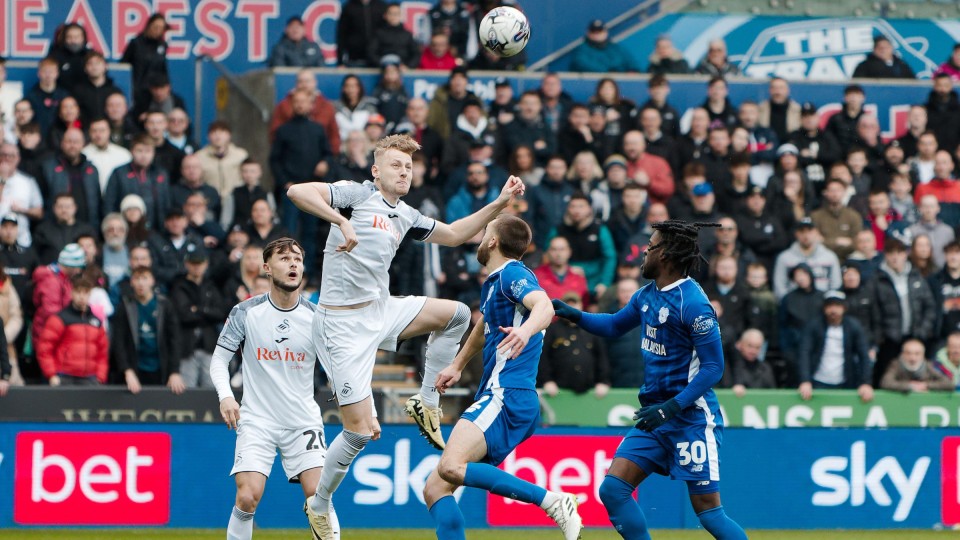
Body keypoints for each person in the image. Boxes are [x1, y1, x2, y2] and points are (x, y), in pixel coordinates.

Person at [286, 134, 525, 538]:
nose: (404, 172)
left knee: (457, 314)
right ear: (376, 170)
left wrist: (500, 204)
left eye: (409, 167)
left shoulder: (406, 214)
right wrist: (340, 220)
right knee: (361, 432)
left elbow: (452, 234)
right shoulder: (353, 195)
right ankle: (320, 504)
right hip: (340, 326)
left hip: (380, 310)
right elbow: (296, 191)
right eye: (396, 165)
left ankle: (427, 400)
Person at [551, 220, 747, 540]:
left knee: (710, 514)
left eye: (651, 245)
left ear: (666, 255)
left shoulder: (694, 305)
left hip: (691, 418)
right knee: (613, 490)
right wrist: (573, 314)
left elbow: (714, 368)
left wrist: (672, 407)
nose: (644, 250)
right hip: (655, 416)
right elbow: (614, 325)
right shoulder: (647, 295)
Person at [424, 214, 583, 540]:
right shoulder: (496, 282)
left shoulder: (513, 274)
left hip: (506, 394)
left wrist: (525, 331)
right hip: (505, 396)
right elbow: (483, 327)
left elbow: (545, 306)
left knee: (450, 467)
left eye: (485, 233)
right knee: (436, 488)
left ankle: (553, 501)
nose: (480, 238)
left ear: (493, 241)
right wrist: (457, 364)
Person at [209, 238, 341, 540]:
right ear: (266, 268)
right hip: (257, 421)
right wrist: (226, 396)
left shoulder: (316, 316)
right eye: (284, 258)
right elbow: (219, 359)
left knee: (319, 499)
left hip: (302, 421)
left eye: (297, 258)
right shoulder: (246, 312)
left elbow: (336, 368)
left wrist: (364, 408)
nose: (292, 263)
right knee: (247, 496)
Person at [111, 266, 184, 394]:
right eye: (137, 279)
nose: (141, 283)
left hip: (160, 369)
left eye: (144, 278)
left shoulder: (165, 305)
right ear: (131, 282)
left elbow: (174, 340)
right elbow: (119, 342)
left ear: (152, 281)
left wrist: (174, 372)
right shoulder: (125, 306)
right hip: (135, 369)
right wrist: (127, 371)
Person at [797, 291, 874, 402]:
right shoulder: (813, 326)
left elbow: (863, 355)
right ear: (824, 308)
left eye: (837, 306)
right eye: (830, 306)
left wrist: (865, 383)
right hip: (818, 381)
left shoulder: (853, 326)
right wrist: (805, 380)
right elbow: (804, 353)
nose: (833, 310)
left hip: (845, 381)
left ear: (844, 308)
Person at [36, 275, 107, 386]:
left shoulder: (96, 321)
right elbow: (44, 348)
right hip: (64, 377)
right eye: (78, 292)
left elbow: (103, 353)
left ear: (90, 295)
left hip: (90, 378)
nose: (82, 297)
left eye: (86, 293)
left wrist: (100, 377)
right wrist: (51, 374)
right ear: (72, 293)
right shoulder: (59, 318)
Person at [539, 291, 611, 396]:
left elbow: (601, 357)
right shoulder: (551, 330)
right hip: (558, 390)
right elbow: (543, 357)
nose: (571, 308)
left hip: (589, 389)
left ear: (581, 305)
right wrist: (546, 380)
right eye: (567, 304)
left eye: (574, 304)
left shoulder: (590, 328)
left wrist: (603, 381)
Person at [121, 13, 169, 108]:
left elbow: (163, 68)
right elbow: (124, 66)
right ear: (148, 25)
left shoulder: (162, 45)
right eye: (155, 27)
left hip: (155, 91)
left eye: (161, 28)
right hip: (137, 90)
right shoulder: (136, 43)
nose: (158, 30)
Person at [880, 339, 953, 393]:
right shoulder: (895, 365)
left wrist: (926, 385)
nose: (912, 358)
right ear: (902, 354)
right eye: (908, 353)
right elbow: (886, 383)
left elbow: (948, 384)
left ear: (923, 355)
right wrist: (910, 386)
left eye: (917, 354)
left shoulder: (929, 366)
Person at [569, 19, 637, 73]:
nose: (597, 34)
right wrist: (607, 73)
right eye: (594, 31)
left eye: (600, 31)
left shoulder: (617, 48)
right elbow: (581, 64)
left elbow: (632, 65)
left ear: (606, 32)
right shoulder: (582, 50)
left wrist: (632, 71)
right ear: (588, 33)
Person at [730, 329, 776, 397]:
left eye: (757, 347)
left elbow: (773, 393)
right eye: (750, 346)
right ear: (740, 344)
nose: (753, 351)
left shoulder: (765, 368)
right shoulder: (730, 366)